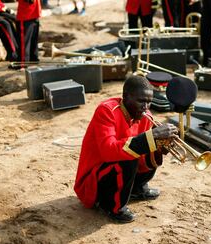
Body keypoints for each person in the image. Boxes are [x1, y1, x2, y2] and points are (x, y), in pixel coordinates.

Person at [74, 75, 179, 223]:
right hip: (92, 181)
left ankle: (137, 188)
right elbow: (108, 151)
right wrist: (150, 136)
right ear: (125, 97)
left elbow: (143, 150)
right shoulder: (106, 110)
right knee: (131, 154)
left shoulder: (145, 115)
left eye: (149, 102)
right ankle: (113, 206)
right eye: (141, 101)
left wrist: (160, 147)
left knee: (149, 146)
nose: (146, 107)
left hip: (114, 170)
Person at [16, 0, 41, 64]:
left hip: (35, 12)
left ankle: (33, 59)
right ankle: (23, 63)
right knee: (24, 42)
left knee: (34, 39)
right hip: (25, 15)